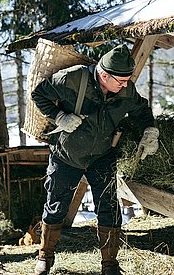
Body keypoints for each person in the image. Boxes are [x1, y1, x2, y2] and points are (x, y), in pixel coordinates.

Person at [31, 44, 159, 275]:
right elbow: (39, 94)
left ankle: (109, 264)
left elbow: (142, 110)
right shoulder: (72, 79)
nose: (125, 85)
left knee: (109, 207)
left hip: (102, 155)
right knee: (57, 206)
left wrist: (150, 131)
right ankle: (45, 257)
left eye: (127, 80)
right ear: (103, 75)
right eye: (120, 81)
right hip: (67, 155)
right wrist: (60, 117)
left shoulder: (125, 89)